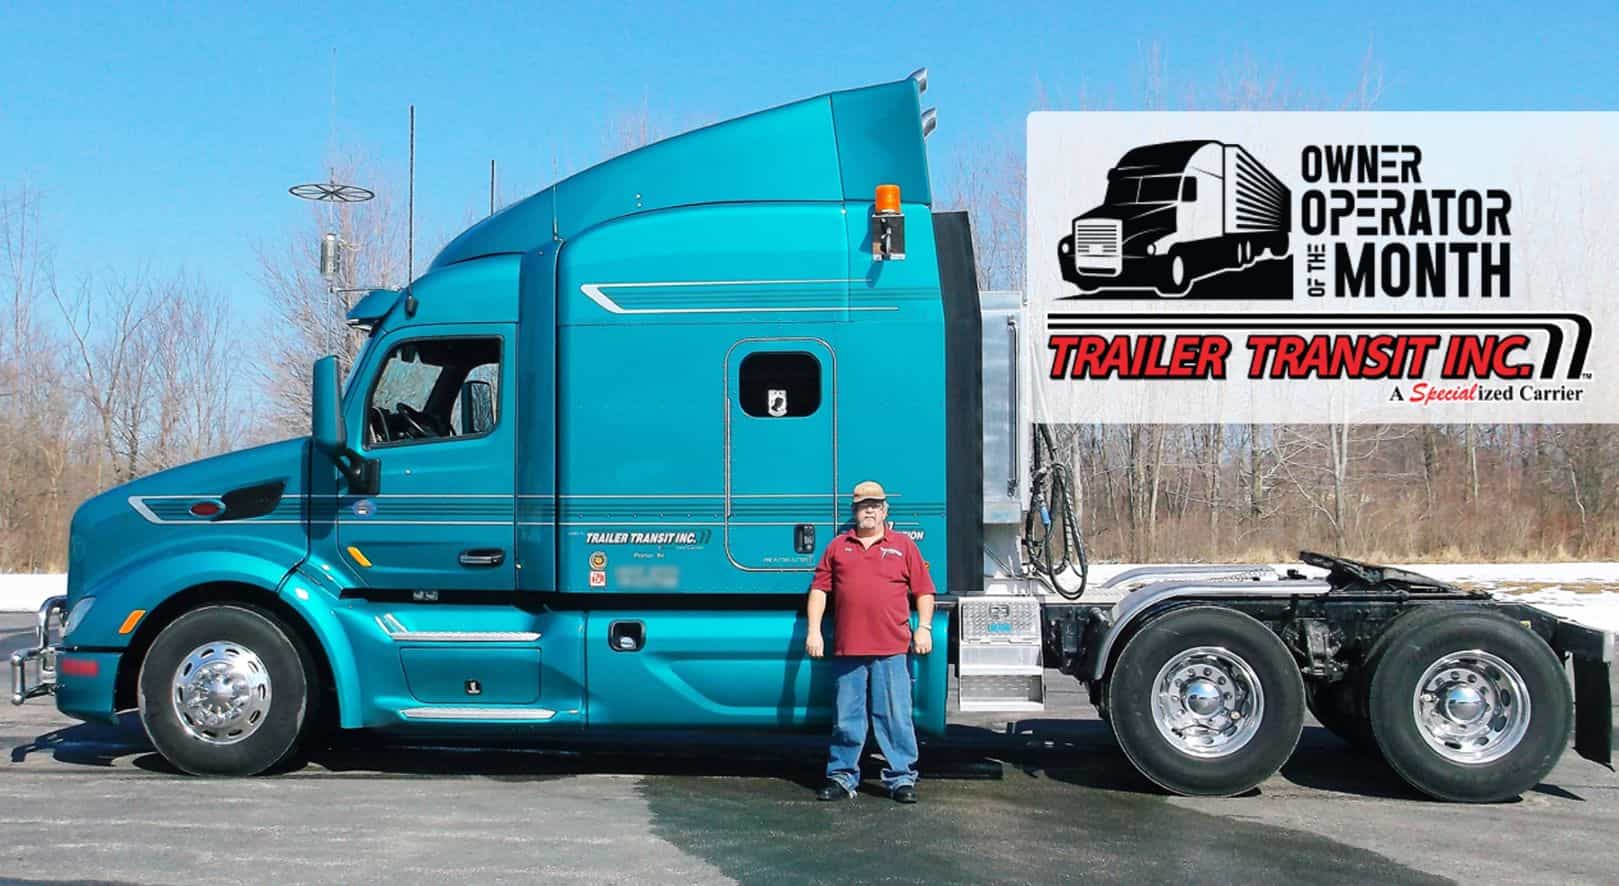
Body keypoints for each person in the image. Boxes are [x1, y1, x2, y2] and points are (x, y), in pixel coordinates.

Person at [805, 480, 936, 803]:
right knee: (847, 719)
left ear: (885, 510)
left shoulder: (904, 545)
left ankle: (901, 779)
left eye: (875, 506)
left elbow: (924, 591)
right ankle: (841, 777)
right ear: (855, 511)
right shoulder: (838, 546)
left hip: (891, 648)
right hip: (848, 649)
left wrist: (925, 628)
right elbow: (820, 590)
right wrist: (814, 631)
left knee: (894, 718)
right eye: (864, 506)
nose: (869, 511)